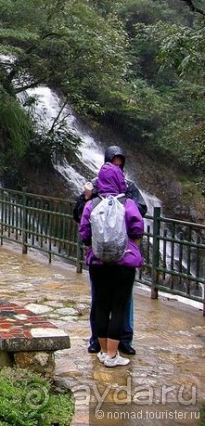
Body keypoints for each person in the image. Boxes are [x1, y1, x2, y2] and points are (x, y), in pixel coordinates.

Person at [72, 146, 147, 355]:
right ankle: (100, 342)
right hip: (119, 257)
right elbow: (137, 224)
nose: (117, 167)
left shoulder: (128, 188)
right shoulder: (94, 188)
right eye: (114, 163)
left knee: (116, 302)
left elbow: (83, 227)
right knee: (106, 301)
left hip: (101, 258)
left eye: (120, 164)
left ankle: (122, 340)